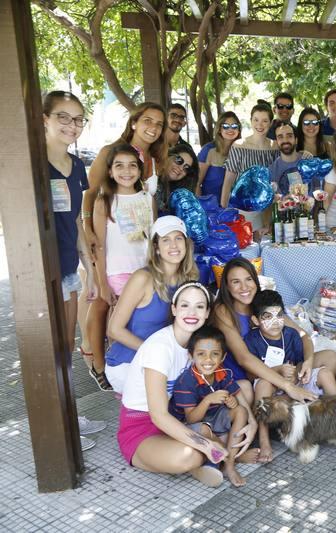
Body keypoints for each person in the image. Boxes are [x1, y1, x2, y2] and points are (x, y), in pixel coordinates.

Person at [117, 281, 256, 487]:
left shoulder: (197, 343)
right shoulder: (160, 348)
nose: (192, 312)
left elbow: (225, 381)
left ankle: (220, 455)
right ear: (174, 309)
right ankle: (215, 457)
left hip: (179, 418)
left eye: (199, 306)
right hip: (143, 428)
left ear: (207, 313)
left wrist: (252, 422)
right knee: (189, 455)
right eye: (185, 305)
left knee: (243, 388)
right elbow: (158, 416)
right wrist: (205, 444)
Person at [43, 90, 106, 449]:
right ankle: (58, 425)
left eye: (78, 119)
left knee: (66, 346)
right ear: (45, 119)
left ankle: (68, 415)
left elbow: (77, 222)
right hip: (44, 273)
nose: (72, 125)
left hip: (69, 267)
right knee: (52, 349)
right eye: (63, 117)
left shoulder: (76, 165)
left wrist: (90, 270)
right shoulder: (34, 165)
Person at [89, 144, 156, 387]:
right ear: (110, 171)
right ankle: (119, 375)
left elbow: (153, 239)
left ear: (140, 170)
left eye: (132, 165)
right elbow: (99, 247)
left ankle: (145, 373)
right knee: (120, 327)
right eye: (119, 166)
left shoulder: (147, 198)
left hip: (146, 273)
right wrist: (102, 284)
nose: (126, 171)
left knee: (143, 324)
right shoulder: (104, 202)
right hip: (117, 274)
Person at [244, 289, 336, 461]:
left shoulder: (291, 334)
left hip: (294, 385)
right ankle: (264, 440)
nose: (275, 322)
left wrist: (300, 370)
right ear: (256, 320)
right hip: (271, 392)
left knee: (328, 364)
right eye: (267, 317)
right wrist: (278, 370)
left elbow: (299, 361)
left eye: (279, 315)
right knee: (264, 384)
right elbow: (251, 376)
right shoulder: (251, 340)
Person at [106, 216, 198, 392]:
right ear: (156, 247)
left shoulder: (189, 279)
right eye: (166, 240)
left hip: (166, 362)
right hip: (129, 361)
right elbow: (114, 329)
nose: (173, 245)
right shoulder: (143, 278)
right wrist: (155, 354)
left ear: (186, 244)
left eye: (178, 238)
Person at [169, 325, 248, 487]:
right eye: (201, 354)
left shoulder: (222, 373)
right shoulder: (186, 381)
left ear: (223, 357)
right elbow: (191, 419)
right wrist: (207, 400)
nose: (208, 360)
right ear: (191, 356)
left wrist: (232, 402)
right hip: (189, 425)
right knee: (204, 429)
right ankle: (230, 459)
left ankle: (227, 463)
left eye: (215, 354)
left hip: (213, 418)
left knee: (241, 411)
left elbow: (234, 397)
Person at [84, 102, 166, 253]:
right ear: (134, 123)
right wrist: (87, 229)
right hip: (112, 240)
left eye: (159, 124)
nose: (153, 127)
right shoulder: (109, 152)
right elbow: (90, 193)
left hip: (142, 242)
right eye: (147, 120)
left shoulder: (157, 159)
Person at [221, 101, 278, 232]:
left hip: (268, 208)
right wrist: (223, 209)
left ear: (270, 123)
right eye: (256, 120)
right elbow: (229, 180)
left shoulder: (275, 147)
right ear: (251, 121)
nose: (259, 125)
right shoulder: (239, 145)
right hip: (244, 209)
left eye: (264, 121)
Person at [197, 111, 241, 205]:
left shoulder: (242, 150)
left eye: (234, 126)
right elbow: (196, 183)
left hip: (234, 207)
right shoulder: (208, 150)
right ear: (219, 129)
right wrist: (201, 207)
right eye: (225, 126)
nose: (230, 129)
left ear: (239, 129)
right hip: (210, 208)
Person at [269, 120, 311, 194]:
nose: (285, 140)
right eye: (280, 137)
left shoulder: (310, 163)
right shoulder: (271, 171)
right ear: (276, 142)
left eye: (289, 136)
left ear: (296, 140)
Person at [157, 144, 197, 215]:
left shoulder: (176, 193)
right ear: (168, 156)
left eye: (186, 168)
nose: (181, 168)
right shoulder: (152, 179)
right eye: (179, 160)